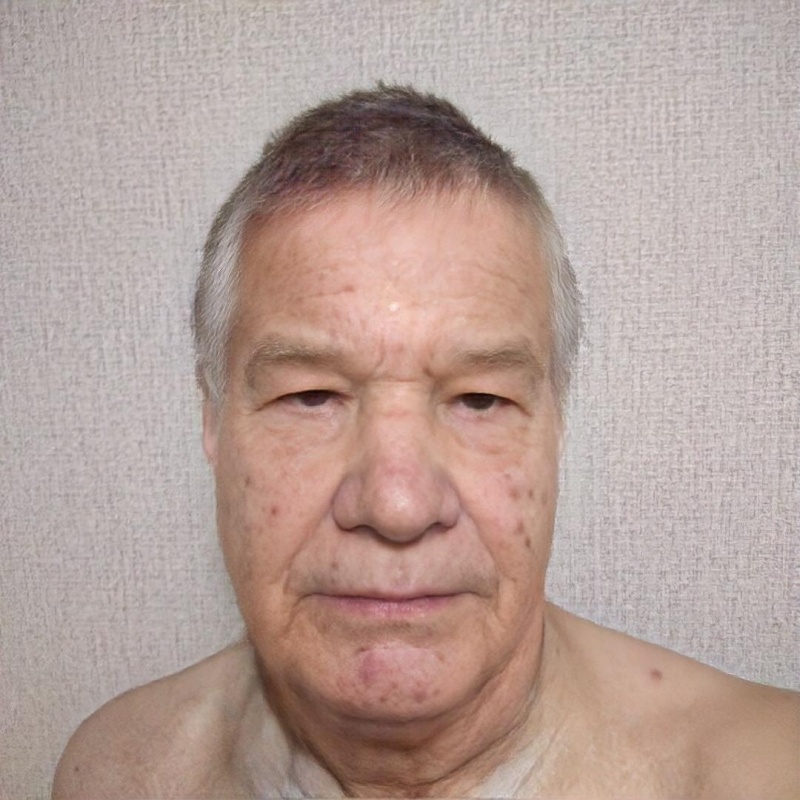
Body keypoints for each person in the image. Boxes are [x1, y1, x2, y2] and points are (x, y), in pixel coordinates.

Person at [52, 85, 798, 799]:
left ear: (556, 422)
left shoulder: (767, 775)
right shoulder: (119, 773)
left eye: (480, 399)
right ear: (214, 418)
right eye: (310, 396)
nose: (398, 504)